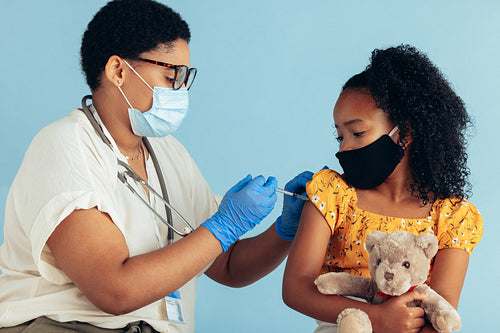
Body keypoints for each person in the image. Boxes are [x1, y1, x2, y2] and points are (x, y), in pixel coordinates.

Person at [0, 0, 313, 332]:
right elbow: (114, 290)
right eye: (170, 75)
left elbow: (226, 264)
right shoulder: (65, 146)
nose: (180, 91)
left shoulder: (168, 153)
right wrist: (224, 225)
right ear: (118, 71)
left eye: (184, 77)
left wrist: (284, 230)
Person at [282, 44, 483, 333]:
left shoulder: (452, 217)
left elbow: (443, 316)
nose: (345, 147)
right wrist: (376, 317)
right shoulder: (332, 195)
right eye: (339, 136)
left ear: (406, 132)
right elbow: (296, 289)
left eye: (358, 133)